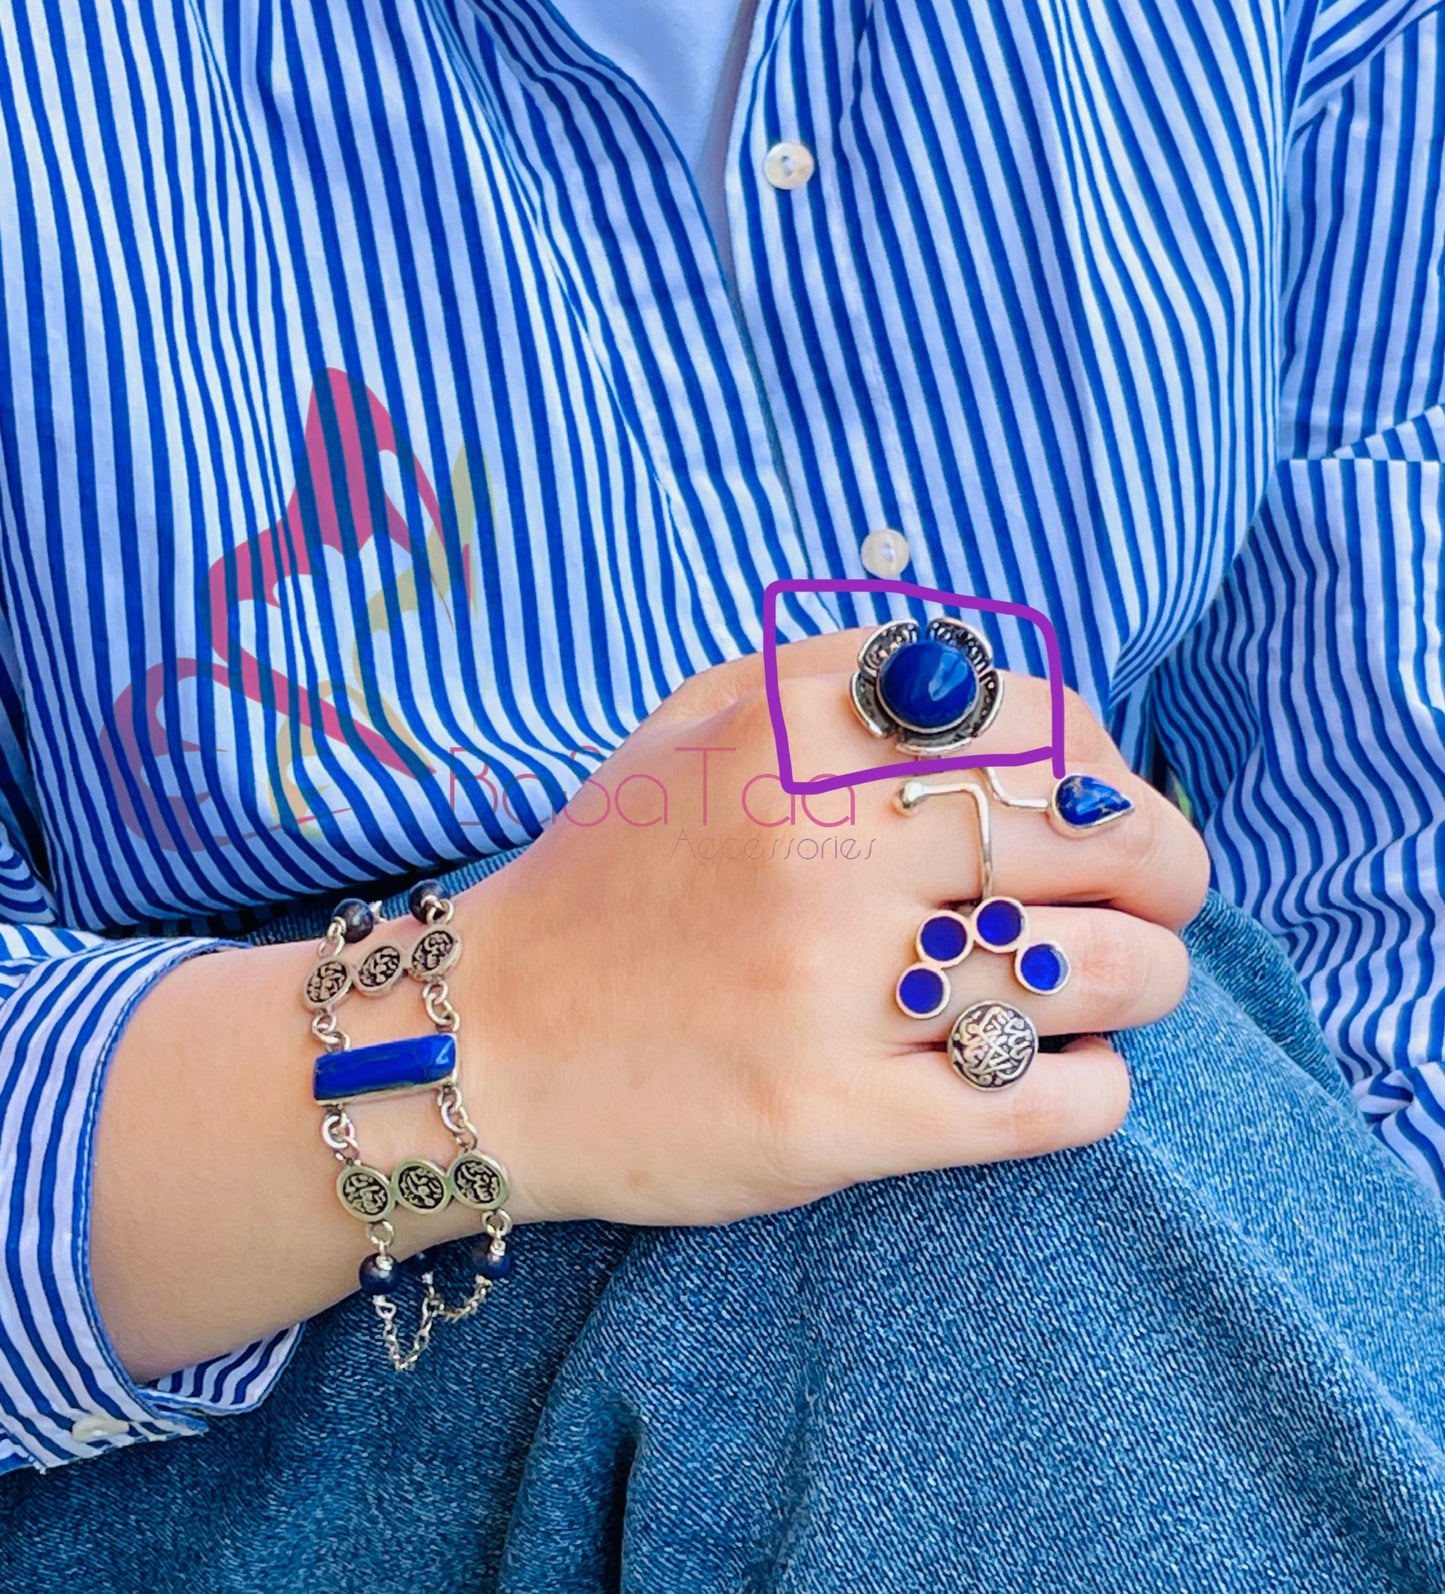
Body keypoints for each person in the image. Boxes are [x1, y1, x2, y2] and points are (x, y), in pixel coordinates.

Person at [1, 0, 1444, 1588]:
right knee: (972, 1229)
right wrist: (502, 1035)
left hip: (1154, 1177)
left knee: (1059, 1168)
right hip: (240, 1357)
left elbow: (1389, 850)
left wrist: (1297, 1315)